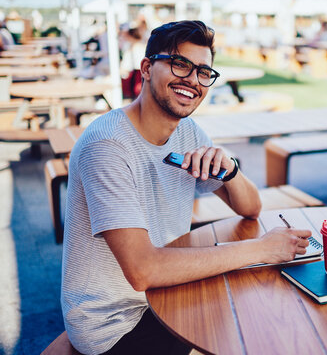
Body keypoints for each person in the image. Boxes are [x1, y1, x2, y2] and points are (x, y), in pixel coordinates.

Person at [61, 20, 312, 355]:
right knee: (257, 335)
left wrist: (230, 168)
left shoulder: (187, 131)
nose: (193, 80)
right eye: (180, 64)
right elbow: (142, 270)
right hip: (116, 324)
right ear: (147, 68)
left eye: (203, 72)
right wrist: (263, 250)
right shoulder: (107, 146)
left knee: (271, 312)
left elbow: (251, 207)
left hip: (166, 292)